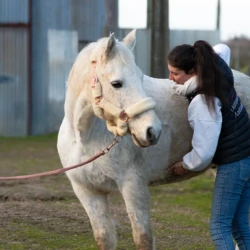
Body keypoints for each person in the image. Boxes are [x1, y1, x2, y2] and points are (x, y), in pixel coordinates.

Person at [168, 40, 250, 250]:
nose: (170, 79)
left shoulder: (203, 102)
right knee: (238, 224)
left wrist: (184, 165)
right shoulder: (218, 72)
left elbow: (204, 152)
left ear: (192, 70)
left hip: (235, 163)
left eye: (175, 73)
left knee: (219, 225)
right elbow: (223, 48)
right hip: (246, 154)